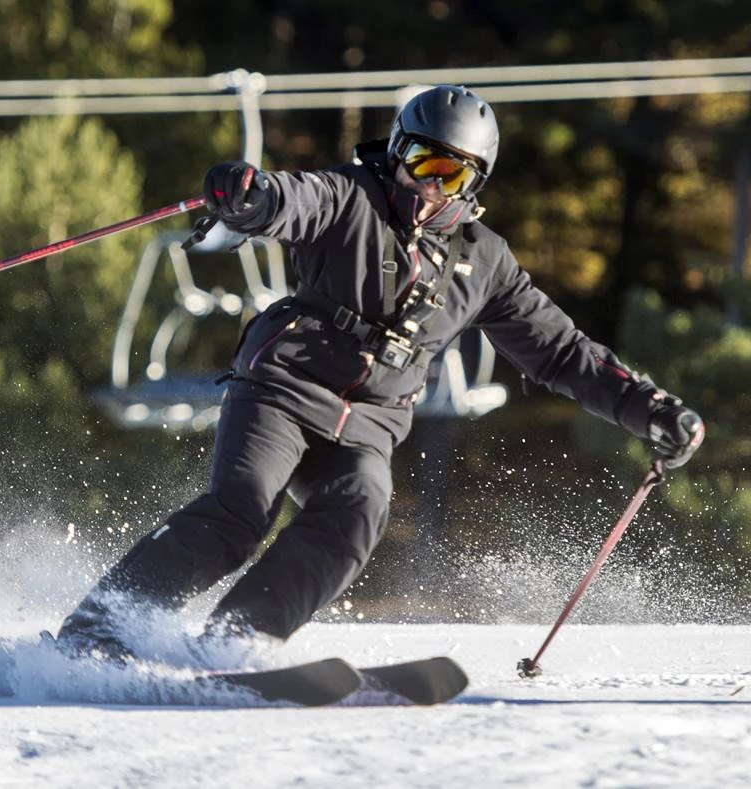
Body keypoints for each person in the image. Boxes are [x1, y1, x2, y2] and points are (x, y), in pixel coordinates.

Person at [54, 84, 705, 660]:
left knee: (359, 511)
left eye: (450, 175)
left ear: (475, 183)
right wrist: (249, 198)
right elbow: (290, 201)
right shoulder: (351, 198)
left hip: (367, 425)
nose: (428, 186)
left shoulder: (485, 262)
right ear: (396, 152)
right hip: (283, 389)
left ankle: (235, 641)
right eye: (420, 161)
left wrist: (648, 407)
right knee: (241, 511)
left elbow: (562, 352)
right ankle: (100, 628)